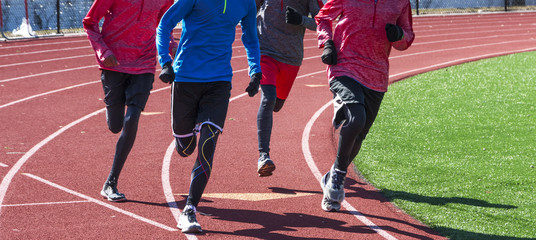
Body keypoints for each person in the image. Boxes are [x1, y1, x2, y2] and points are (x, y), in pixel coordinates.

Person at [156, 0, 262, 233]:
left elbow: (251, 38)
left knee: (208, 144)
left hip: (219, 82)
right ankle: (189, 132)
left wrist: (255, 71)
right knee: (185, 149)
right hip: (185, 79)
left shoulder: (246, 3)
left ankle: (190, 209)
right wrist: (165, 61)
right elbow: (165, 24)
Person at [315, 0, 415, 212]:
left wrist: (398, 35)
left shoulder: (400, 2)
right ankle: (337, 181)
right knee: (356, 118)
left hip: (376, 75)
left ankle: (332, 174)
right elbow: (323, 17)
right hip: (345, 66)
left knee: (359, 135)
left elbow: (407, 37)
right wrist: (327, 43)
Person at [82, 0, 177, 202]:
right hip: (113, 63)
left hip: (144, 64)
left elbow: (164, 23)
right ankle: (112, 107)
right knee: (115, 126)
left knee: (132, 119)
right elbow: (90, 22)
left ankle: (111, 182)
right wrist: (102, 51)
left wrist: (171, 46)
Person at [254, 0, 324, 177]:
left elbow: (321, 22)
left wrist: (301, 19)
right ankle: (264, 156)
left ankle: (274, 106)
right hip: (264, 51)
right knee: (268, 98)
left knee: (276, 104)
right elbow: (249, 9)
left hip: (290, 57)